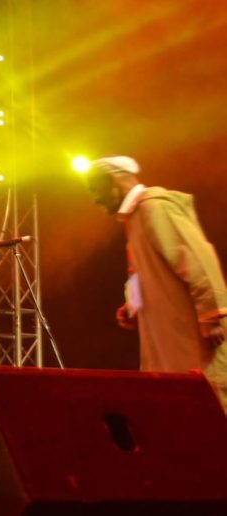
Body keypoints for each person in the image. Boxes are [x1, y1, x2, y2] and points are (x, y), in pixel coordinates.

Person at [86, 156, 227, 410]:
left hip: (194, 335)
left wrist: (211, 313)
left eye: (96, 190)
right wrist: (133, 307)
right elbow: (140, 273)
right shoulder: (135, 219)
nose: (95, 200)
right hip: (168, 338)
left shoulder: (155, 207)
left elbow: (196, 259)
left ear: (114, 181)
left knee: (213, 403)